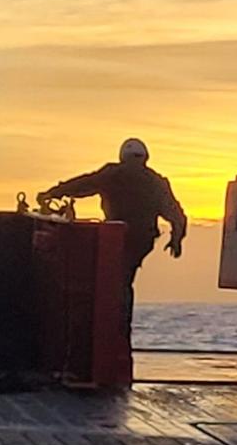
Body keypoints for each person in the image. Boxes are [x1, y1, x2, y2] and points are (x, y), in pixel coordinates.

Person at [38, 138, 187, 339]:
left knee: (114, 281)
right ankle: (121, 327)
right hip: (143, 240)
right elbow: (176, 214)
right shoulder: (156, 181)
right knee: (125, 279)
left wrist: (54, 192)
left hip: (115, 238)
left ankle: (110, 327)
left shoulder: (113, 174)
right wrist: (176, 239)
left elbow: (84, 184)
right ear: (145, 158)